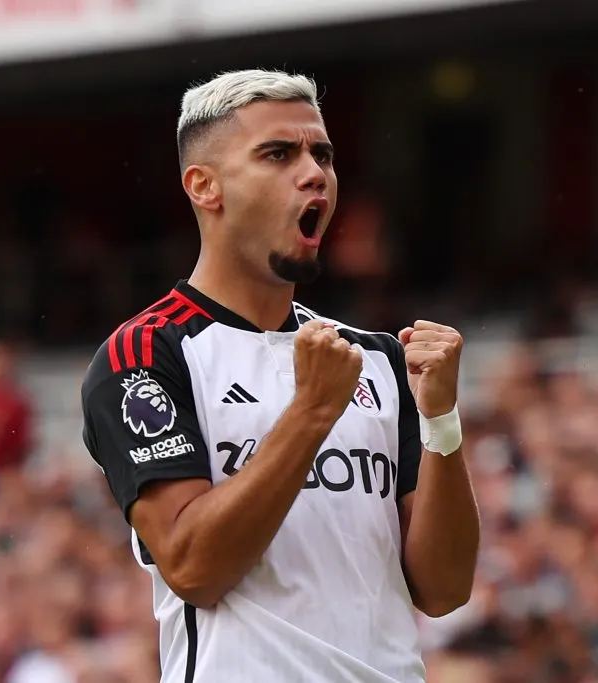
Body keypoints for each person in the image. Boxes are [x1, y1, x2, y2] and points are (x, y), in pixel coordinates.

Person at [80, 69, 480, 682]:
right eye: (278, 153)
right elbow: (194, 568)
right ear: (204, 186)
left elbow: (445, 588)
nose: (314, 172)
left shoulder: (374, 357)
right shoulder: (144, 354)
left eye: (322, 153)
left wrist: (442, 425)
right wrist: (311, 413)